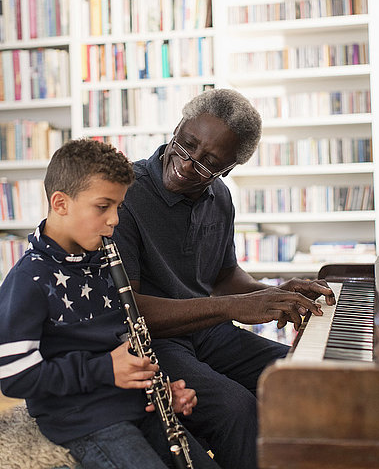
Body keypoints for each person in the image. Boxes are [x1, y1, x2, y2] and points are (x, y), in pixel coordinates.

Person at [113, 88, 336, 469]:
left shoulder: (220, 196)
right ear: (178, 126)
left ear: (226, 170)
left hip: (209, 332)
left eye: (207, 163)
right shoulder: (126, 194)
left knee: (306, 381)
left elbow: (224, 274)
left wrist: (273, 294)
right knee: (236, 409)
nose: (186, 164)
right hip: (155, 340)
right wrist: (238, 306)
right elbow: (131, 311)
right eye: (185, 145)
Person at [0, 139, 220, 469]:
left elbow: (124, 347)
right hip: (86, 420)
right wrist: (104, 370)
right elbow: (13, 375)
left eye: (118, 206)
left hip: (134, 406)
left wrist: (160, 389)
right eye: (103, 207)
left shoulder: (103, 261)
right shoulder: (29, 279)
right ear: (60, 203)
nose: (115, 219)